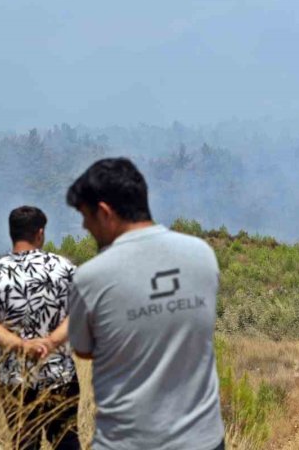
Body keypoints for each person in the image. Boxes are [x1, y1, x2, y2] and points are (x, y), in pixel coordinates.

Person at [65, 157, 225, 450]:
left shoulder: (89, 278)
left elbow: (83, 350)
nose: (85, 226)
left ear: (104, 212)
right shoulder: (202, 254)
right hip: (204, 440)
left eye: (85, 216)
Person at [0, 205, 81, 450]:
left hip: (13, 378)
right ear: (40, 233)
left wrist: (21, 345)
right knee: (67, 441)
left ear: (12, 233)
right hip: (59, 374)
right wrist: (50, 343)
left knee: (24, 443)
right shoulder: (63, 268)